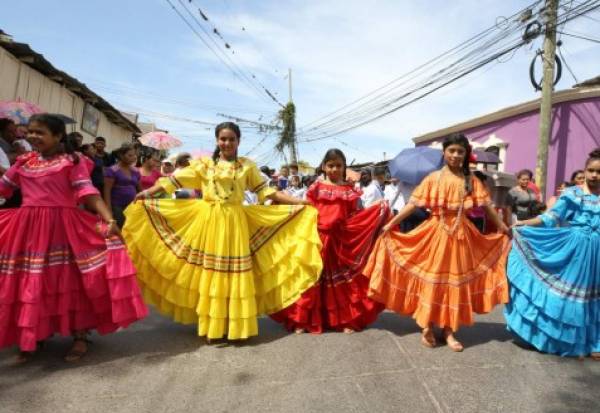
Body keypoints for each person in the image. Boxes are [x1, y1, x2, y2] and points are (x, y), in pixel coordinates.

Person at [122, 122, 322, 342]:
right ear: (217, 141)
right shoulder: (204, 165)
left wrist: (299, 202)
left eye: (231, 139)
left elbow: (266, 191)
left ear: (238, 141)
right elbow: (173, 181)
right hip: (210, 221)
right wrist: (148, 193)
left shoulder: (246, 166)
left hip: (236, 222)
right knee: (213, 273)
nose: (227, 143)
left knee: (234, 273)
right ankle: (213, 327)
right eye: (223, 139)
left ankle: (236, 327)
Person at [0, 113, 147, 363]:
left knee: (73, 280)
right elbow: (4, 187)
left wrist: (109, 219)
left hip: (64, 228)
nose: (33, 136)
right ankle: (34, 335)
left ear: (58, 136)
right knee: (33, 280)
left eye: (40, 132)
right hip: (28, 230)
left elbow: (88, 192)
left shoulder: (72, 160)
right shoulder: (24, 162)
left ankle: (80, 336)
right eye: (31, 132)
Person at [364, 133, 510, 352]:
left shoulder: (472, 181)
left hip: (462, 237)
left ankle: (450, 330)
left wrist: (503, 228)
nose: (456, 155)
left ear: (465, 154)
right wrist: (390, 223)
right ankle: (428, 327)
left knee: (456, 284)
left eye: (460, 151)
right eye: (452, 150)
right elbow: (412, 205)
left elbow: (488, 208)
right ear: (444, 153)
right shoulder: (433, 179)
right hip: (435, 235)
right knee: (432, 281)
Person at [271, 149, 388, 334]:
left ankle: (345, 320)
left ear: (344, 167)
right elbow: (306, 210)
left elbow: (355, 215)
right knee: (311, 280)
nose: (334, 169)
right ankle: (302, 321)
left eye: (339, 165)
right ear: (324, 166)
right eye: (331, 165)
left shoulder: (350, 190)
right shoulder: (315, 188)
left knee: (345, 283)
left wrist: (378, 211)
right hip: (316, 239)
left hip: (341, 242)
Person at [504, 149, 600, 359]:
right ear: (585, 170)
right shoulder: (572, 194)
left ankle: (593, 342)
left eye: (599, 172)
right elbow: (550, 218)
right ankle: (559, 339)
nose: (594, 175)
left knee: (594, 296)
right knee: (573, 294)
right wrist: (524, 223)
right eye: (591, 170)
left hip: (598, 252)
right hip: (576, 248)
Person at [103, 143, 141, 228]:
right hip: (117, 206)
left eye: (134, 155)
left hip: (132, 205)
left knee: (132, 227)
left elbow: (140, 189)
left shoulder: (136, 171)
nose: (133, 157)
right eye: (130, 155)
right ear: (121, 155)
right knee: (121, 227)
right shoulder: (112, 170)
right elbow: (107, 190)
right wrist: (108, 208)